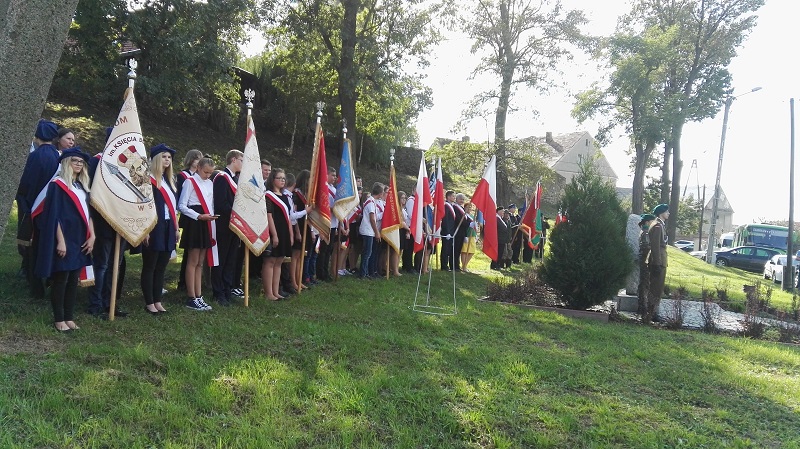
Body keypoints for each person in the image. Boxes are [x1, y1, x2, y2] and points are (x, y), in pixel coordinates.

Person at [35, 147, 94, 332]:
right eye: (74, 160)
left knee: (73, 279)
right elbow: (54, 216)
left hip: (81, 237)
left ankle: (69, 317)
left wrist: (92, 236)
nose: (78, 164)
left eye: (81, 162)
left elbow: (89, 214)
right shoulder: (57, 185)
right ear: (66, 163)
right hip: (65, 238)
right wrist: (60, 241)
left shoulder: (82, 186)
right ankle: (59, 319)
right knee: (62, 279)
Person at [16, 119, 61, 297]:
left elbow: (26, 184)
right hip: (53, 208)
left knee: (32, 248)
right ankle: (51, 279)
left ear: (37, 136)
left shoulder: (34, 157)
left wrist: (25, 203)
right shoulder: (59, 156)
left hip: (35, 208)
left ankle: (36, 288)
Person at [140, 144, 178, 315]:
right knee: (150, 265)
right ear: (156, 159)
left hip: (168, 226)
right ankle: (149, 302)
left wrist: (176, 228)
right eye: (164, 156)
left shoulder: (169, 181)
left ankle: (157, 300)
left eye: (169, 157)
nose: (167, 160)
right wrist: (145, 230)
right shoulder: (147, 180)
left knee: (161, 266)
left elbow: (172, 208)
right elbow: (142, 207)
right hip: (153, 226)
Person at [178, 157, 217, 311]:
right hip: (195, 221)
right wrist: (198, 216)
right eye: (206, 172)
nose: (208, 175)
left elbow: (211, 203)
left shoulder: (210, 183)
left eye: (210, 173)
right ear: (199, 168)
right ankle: (191, 297)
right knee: (193, 261)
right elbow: (182, 205)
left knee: (200, 262)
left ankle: (198, 295)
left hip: (206, 221)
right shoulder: (190, 182)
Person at [211, 150, 243, 307]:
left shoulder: (235, 179)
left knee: (231, 259)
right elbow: (220, 203)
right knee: (221, 259)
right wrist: (237, 213)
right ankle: (218, 292)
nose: (243, 164)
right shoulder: (222, 178)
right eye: (242, 160)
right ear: (233, 159)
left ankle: (227, 288)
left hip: (234, 225)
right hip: (223, 225)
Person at [176, 149, 204, 291]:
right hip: (188, 215)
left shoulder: (201, 177)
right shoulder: (182, 176)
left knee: (195, 254)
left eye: (200, 159)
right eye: (196, 158)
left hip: (200, 217)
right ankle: (183, 281)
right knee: (190, 250)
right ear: (190, 160)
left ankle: (192, 282)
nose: (198, 161)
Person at [264, 168, 293, 300]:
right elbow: (269, 216)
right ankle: (269, 293)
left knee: (279, 261)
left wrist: (290, 235)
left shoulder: (285, 196)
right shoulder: (268, 195)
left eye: (283, 178)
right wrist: (274, 235)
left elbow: (289, 217)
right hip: (273, 231)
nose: (282, 180)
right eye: (279, 178)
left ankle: (276, 292)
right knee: (270, 261)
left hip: (284, 231)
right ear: (273, 179)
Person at [648, 204, 670, 322]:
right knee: (656, 288)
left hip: (660, 260)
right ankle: (651, 313)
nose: (668, 213)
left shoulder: (660, 224)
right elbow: (655, 246)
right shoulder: (657, 226)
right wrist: (657, 263)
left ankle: (653, 311)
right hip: (658, 260)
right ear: (661, 213)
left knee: (658, 287)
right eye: (666, 212)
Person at [359, 182, 383, 278]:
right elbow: (372, 219)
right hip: (368, 231)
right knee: (367, 253)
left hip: (369, 230)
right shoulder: (371, 202)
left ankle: (365, 272)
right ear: (380, 194)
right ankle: (363, 273)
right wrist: (377, 232)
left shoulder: (372, 202)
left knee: (367, 253)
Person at [637, 213, 656, 319]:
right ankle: (642, 308)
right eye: (652, 221)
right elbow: (646, 247)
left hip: (645, 260)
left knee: (644, 283)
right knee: (644, 283)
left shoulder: (645, 231)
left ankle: (643, 307)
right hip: (645, 260)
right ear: (648, 222)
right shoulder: (645, 232)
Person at [452, 193, 471, 272]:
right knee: (455, 249)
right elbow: (459, 219)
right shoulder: (455, 207)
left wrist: (471, 222)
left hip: (462, 232)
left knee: (459, 250)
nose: (462, 201)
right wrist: (468, 224)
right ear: (456, 199)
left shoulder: (462, 208)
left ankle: (457, 265)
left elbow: (466, 218)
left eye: (463, 199)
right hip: (457, 231)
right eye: (460, 199)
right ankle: (454, 265)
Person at [440, 190, 456, 271]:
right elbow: (445, 220)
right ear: (448, 197)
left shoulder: (451, 206)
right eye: (453, 196)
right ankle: (444, 266)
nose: (454, 197)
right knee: (445, 249)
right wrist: (447, 232)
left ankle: (446, 265)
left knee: (448, 248)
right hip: (447, 231)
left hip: (451, 231)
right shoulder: (446, 206)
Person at [460, 202, 478, 273]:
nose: (469, 208)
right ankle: (464, 267)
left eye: (470, 207)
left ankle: (465, 265)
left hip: (472, 235)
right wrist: (465, 236)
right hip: (467, 235)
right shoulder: (464, 215)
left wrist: (476, 234)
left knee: (472, 251)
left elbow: (475, 226)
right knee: (464, 251)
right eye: (467, 207)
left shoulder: (472, 216)